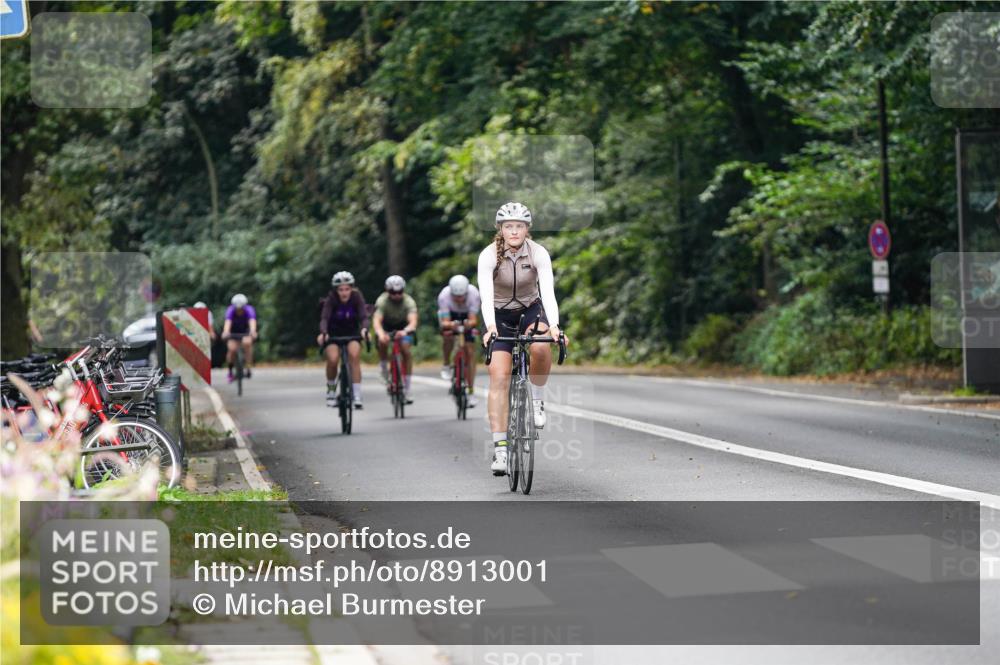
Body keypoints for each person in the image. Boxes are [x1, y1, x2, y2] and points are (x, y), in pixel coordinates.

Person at [478, 202, 563, 476]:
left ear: (527, 229)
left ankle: (536, 401)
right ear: (500, 230)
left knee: (540, 347)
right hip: (500, 314)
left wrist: (556, 327)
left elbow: (547, 292)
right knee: (499, 375)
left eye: (519, 226)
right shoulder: (489, 255)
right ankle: (500, 450)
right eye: (508, 226)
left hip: (531, 309)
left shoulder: (539, 253)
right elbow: (485, 295)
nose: (514, 231)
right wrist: (491, 326)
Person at [317, 271, 368, 409]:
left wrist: (364, 329)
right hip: (333, 334)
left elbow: (364, 316)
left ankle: (357, 394)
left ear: (351, 288)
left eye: (347, 289)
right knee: (333, 359)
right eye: (340, 290)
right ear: (336, 290)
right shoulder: (331, 300)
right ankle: (331, 392)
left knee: (354, 356)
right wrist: (324, 333)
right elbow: (324, 319)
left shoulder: (357, 297)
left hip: (352, 333)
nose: (344, 293)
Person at [372, 275, 418, 404]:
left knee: (406, 351)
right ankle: (383, 367)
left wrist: (406, 331)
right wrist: (381, 333)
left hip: (404, 327)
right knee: (383, 341)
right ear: (387, 291)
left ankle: (407, 388)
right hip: (386, 326)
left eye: (399, 292)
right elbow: (376, 321)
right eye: (393, 292)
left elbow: (413, 322)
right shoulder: (382, 301)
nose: (396, 295)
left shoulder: (409, 301)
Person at [438, 274, 481, 408]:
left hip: (467, 315)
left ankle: (471, 391)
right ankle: (446, 364)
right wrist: (451, 326)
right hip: (450, 315)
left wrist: (469, 325)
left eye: (462, 296)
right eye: (456, 296)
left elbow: (473, 319)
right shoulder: (444, 296)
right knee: (447, 337)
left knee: (470, 351)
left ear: (466, 292)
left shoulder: (474, 294)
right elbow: (445, 322)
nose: (459, 299)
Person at [221, 293, 258, 382]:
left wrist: (253, 332)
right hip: (233, 332)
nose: (239, 311)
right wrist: (226, 332)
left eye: (241, 309)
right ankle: (230, 371)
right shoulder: (230, 310)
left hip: (245, 332)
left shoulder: (249, 310)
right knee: (232, 349)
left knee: (247, 343)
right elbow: (228, 323)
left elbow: (252, 322)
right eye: (237, 309)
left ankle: (248, 366)